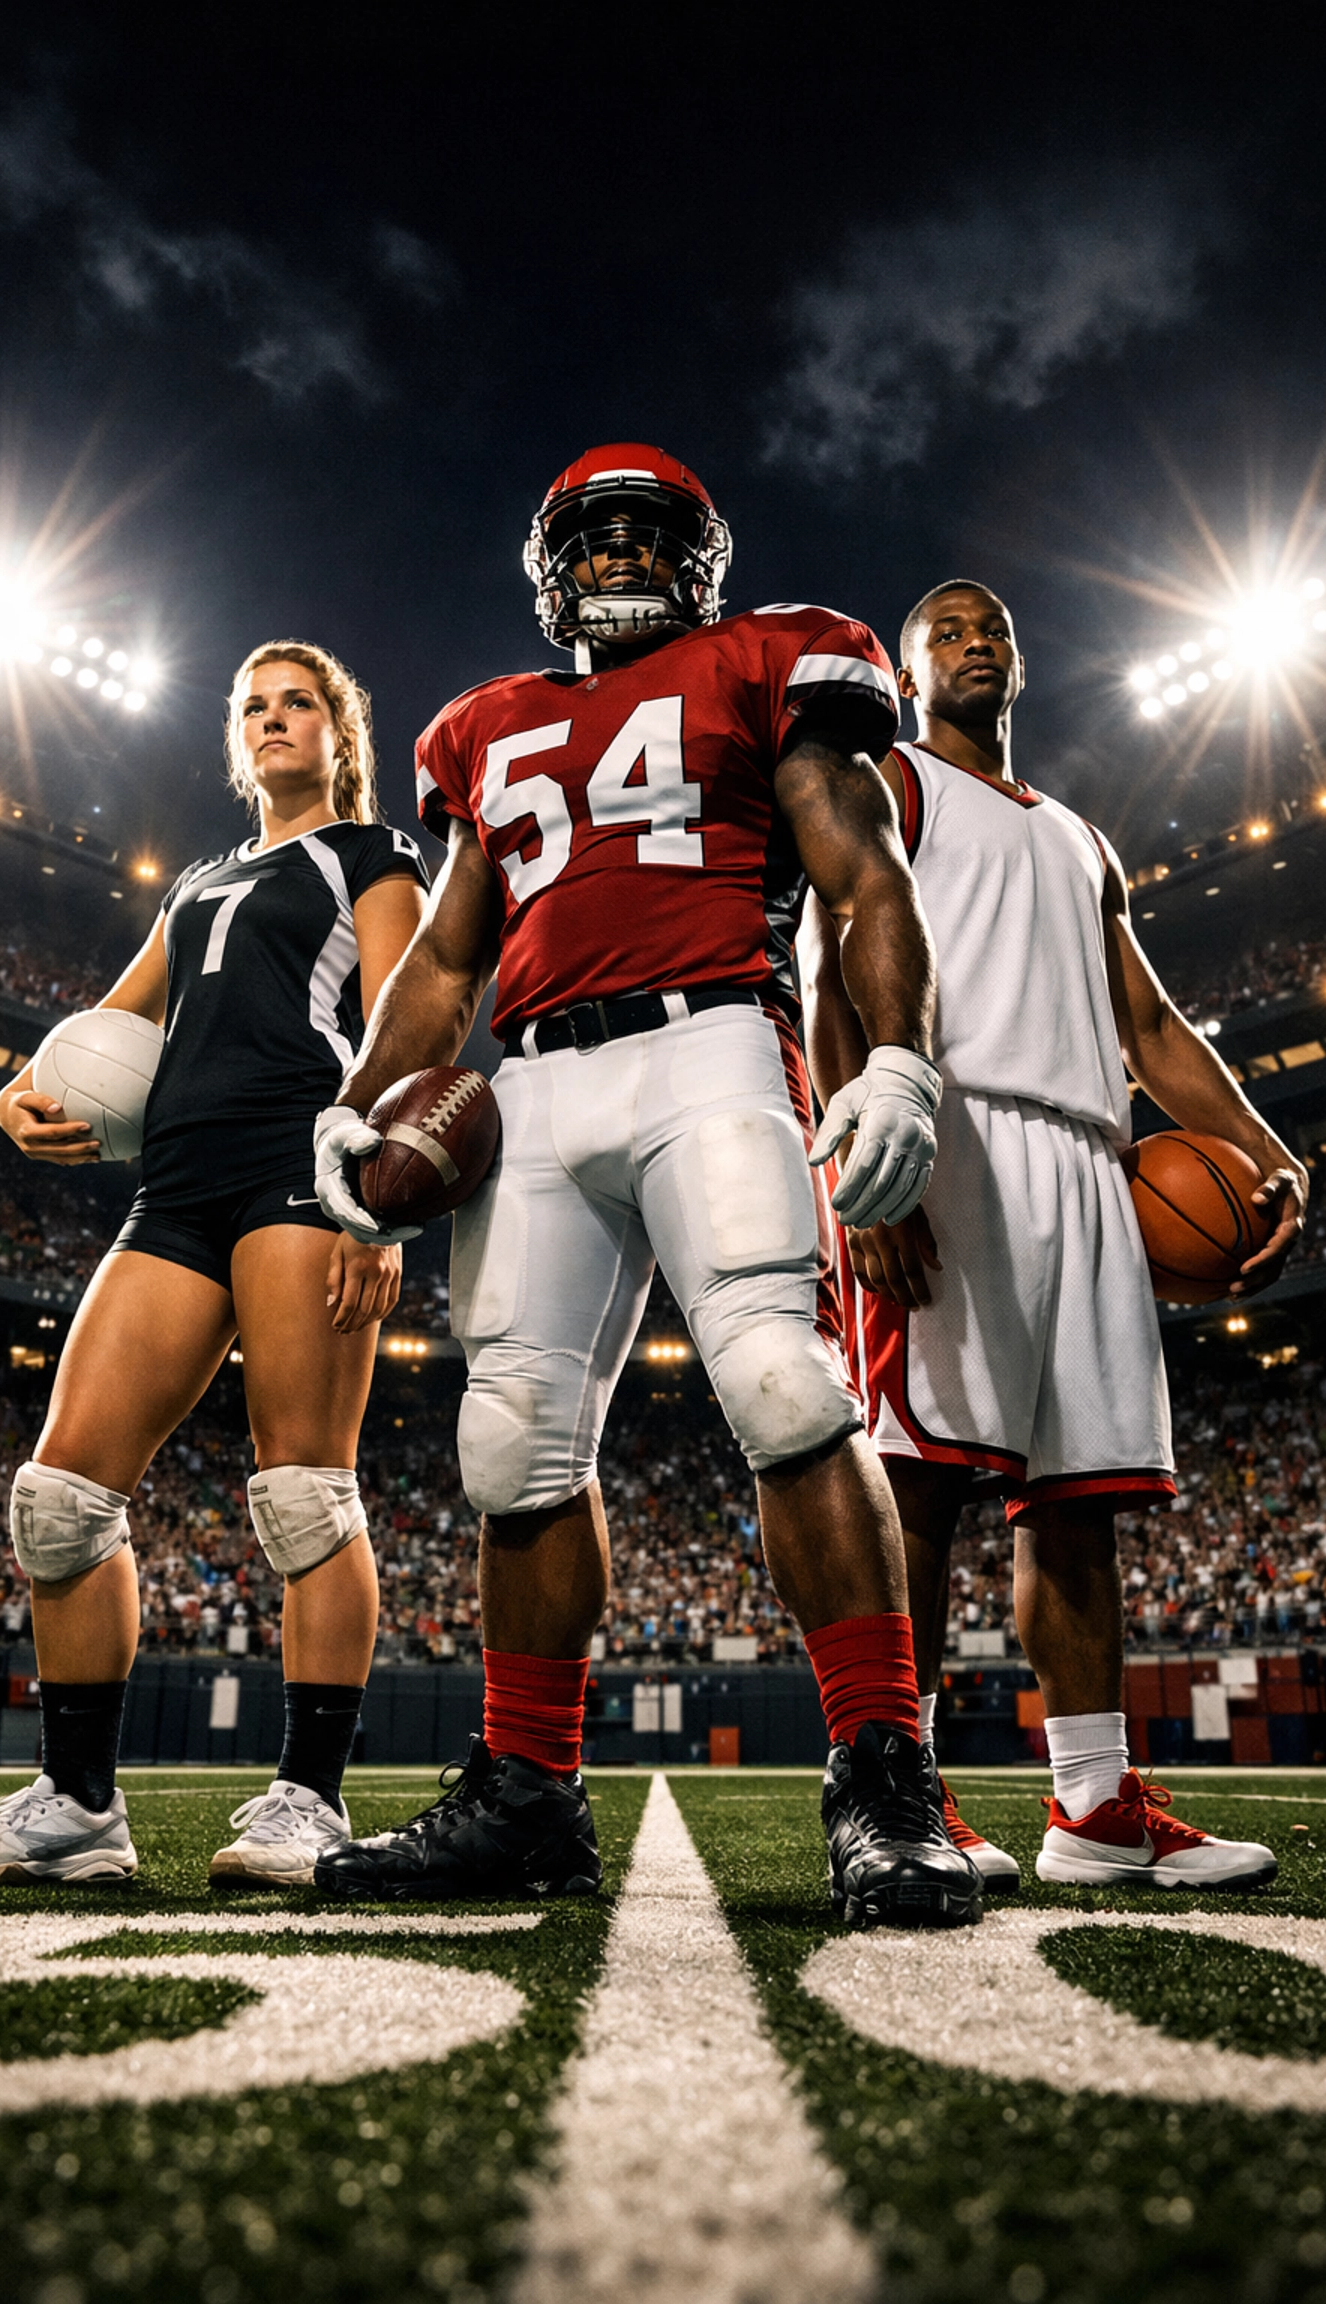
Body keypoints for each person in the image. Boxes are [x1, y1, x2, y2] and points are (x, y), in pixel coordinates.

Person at [311, 444, 982, 1926]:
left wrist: (900, 1061)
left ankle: (884, 1773)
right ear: (554, 568)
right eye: (594, 539)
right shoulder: (486, 727)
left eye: (643, 535)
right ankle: (528, 1795)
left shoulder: (771, 661)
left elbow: (869, 879)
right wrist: (351, 1110)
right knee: (512, 1437)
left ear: (697, 555)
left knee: (783, 1387)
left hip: (712, 1045)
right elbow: (446, 957)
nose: (618, 559)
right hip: (536, 1085)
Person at [802, 581, 1301, 1891]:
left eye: (995, 632)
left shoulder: (1080, 838)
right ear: (910, 671)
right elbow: (825, 973)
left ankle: (1093, 1810)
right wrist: (866, 1158)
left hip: (1089, 1159)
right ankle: (902, 1795)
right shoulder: (883, 784)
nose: (977, 645)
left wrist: (1263, 1145)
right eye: (949, 632)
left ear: (1020, 666)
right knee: (915, 1486)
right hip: (945, 1137)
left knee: (1078, 1508)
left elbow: (1150, 1034)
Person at [0, 642, 429, 1891]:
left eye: (298, 702)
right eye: (252, 705)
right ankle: (79, 1811)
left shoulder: (376, 855)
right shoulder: (196, 881)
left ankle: (308, 1801)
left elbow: (413, 1017)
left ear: (339, 734)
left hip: (302, 1165)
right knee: (61, 1498)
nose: (272, 720)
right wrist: (17, 1093)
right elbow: (112, 1020)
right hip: (177, 1183)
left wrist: (383, 1205)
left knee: (306, 1490)